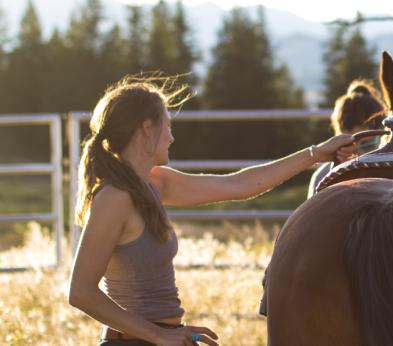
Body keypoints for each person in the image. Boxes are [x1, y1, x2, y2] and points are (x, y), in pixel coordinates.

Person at [67, 76, 354, 346]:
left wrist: (317, 153)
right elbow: (80, 291)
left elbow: (238, 184)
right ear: (146, 128)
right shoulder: (115, 197)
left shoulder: (156, 183)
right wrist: (157, 334)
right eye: (167, 125)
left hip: (163, 338)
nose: (171, 136)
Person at [307, 80, 387, 198]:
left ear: (385, 137)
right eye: (347, 146)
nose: (357, 155)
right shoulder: (324, 177)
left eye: (366, 144)